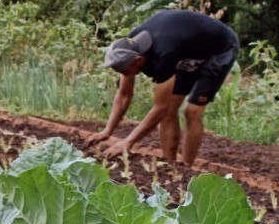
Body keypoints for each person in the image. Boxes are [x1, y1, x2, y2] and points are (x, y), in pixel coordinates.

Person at [93, 9, 239, 165]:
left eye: (124, 71)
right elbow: (124, 95)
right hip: (187, 49)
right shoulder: (129, 46)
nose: (123, 74)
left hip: (220, 49)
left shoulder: (164, 54)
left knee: (192, 111)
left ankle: (186, 168)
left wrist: (128, 142)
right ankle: (171, 166)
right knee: (170, 111)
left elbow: (160, 108)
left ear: (138, 61)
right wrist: (107, 131)